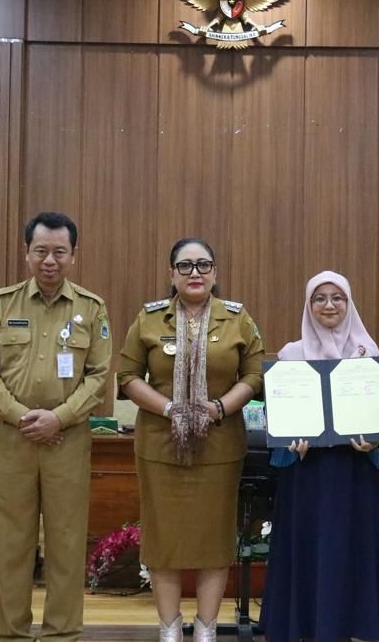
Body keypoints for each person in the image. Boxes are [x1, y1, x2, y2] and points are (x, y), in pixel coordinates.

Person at [0, 212, 112, 642]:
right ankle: (11, 634)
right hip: (13, 440)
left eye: (59, 252)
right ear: (26, 252)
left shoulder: (91, 308)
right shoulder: (2, 304)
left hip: (67, 441)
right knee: (12, 544)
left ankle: (62, 633)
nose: (49, 260)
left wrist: (59, 417)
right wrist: (19, 416)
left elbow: (100, 375)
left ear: (73, 255)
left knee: (66, 544)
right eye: (41, 251)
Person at [116, 238, 264, 642]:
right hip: (160, 447)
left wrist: (218, 407)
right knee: (163, 540)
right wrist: (169, 409)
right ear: (171, 275)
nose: (194, 273)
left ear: (215, 273)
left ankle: (206, 629)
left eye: (203, 265)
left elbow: (254, 375)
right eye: (185, 266)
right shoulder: (148, 319)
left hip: (218, 447)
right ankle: (169, 629)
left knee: (214, 541)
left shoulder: (236, 319)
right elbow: (127, 377)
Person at [259, 271, 379, 642]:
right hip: (307, 475)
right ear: (308, 306)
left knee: (350, 551)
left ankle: (354, 625)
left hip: (354, 475)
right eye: (320, 298)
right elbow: (277, 416)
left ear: (350, 304)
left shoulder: (368, 353)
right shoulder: (291, 355)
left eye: (338, 297)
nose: (329, 305)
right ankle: (306, 626)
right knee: (310, 552)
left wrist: (374, 442)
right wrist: (290, 442)